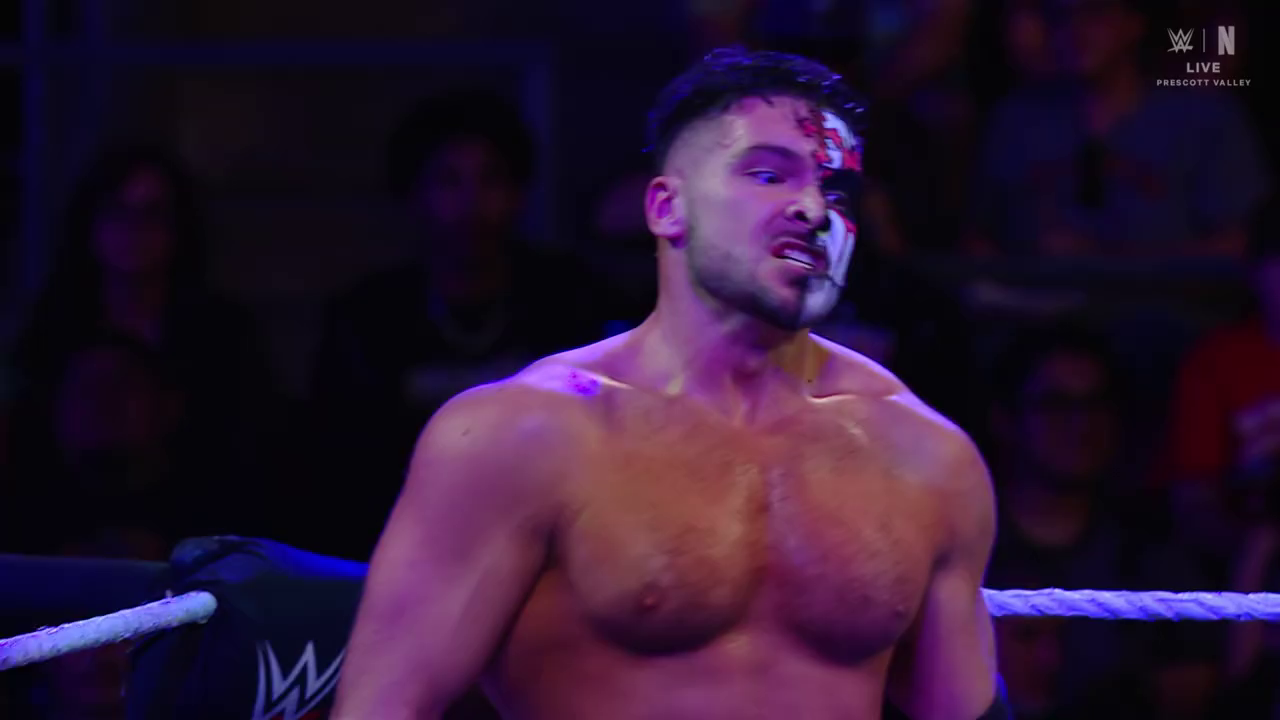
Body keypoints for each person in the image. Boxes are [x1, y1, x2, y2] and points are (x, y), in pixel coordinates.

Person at [332, 48, 1008, 720]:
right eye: (769, 174)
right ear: (667, 207)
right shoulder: (522, 437)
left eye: (836, 192)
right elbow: (382, 707)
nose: (812, 208)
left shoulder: (926, 458)